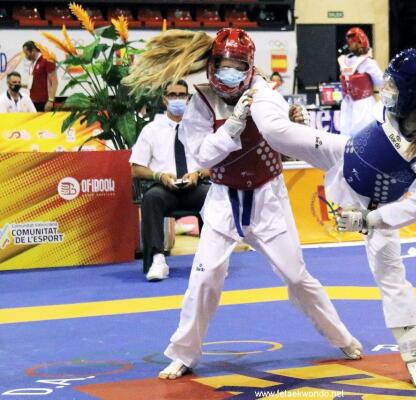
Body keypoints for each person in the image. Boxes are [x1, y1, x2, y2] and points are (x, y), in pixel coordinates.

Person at [125, 28, 361, 380]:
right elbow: (201, 154)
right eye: (224, 65)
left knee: (297, 277)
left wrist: (301, 128)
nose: (230, 73)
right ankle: (184, 353)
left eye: (238, 66)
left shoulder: (264, 92)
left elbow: (279, 136)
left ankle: (341, 337)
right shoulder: (201, 101)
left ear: (250, 66)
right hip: (223, 199)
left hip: (268, 198)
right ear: (212, 65)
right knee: (204, 281)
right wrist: (231, 128)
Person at [254, 48, 416, 389]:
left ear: (414, 93)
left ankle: (414, 358)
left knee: (393, 281)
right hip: (344, 153)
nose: (385, 89)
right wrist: (298, 123)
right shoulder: (390, 106)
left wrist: (369, 220)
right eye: (386, 81)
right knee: (279, 133)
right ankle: (256, 84)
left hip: (375, 207)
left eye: (393, 84)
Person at [129, 80, 211, 281]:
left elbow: (216, 164)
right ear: (164, 100)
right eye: (172, 95)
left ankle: (210, 260)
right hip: (165, 188)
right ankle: (158, 259)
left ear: (188, 99)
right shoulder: (151, 129)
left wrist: (198, 174)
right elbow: (136, 168)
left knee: (212, 196)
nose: (177, 99)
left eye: (181, 95)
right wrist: (159, 176)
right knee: (152, 197)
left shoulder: (201, 129)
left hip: (195, 186)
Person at [338, 27, 384, 136]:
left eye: (356, 42)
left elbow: (381, 82)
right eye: (352, 42)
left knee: (363, 135)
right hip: (347, 103)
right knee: (345, 135)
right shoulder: (344, 60)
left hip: (364, 104)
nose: (354, 44)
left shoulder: (368, 63)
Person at [22, 41, 58, 112]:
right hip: (33, 101)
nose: (25, 56)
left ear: (33, 50)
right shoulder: (32, 63)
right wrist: (20, 85)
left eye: (26, 53)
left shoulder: (46, 60)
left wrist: (50, 100)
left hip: (44, 101)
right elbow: (34, 83)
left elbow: (54, 81)